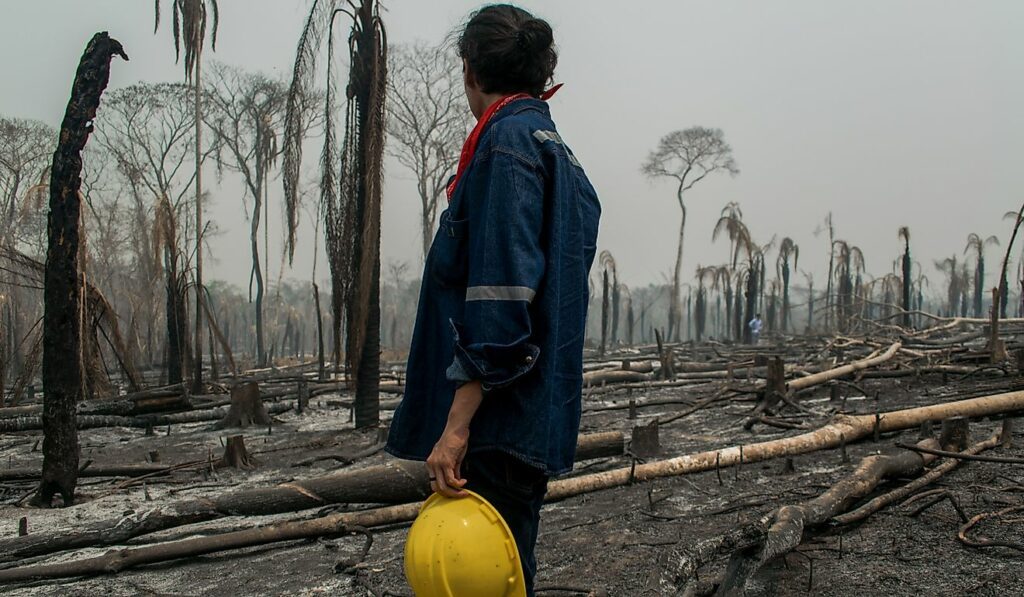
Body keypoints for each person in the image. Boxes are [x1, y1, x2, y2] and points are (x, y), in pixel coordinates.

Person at [385, 4, 601, 594]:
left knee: (483, 574)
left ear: (471, 72)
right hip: (529, 417)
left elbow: (502, 302)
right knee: (506, 572)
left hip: (495, 424)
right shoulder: (553, 148)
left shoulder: (506, 147)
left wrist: (456, 428)